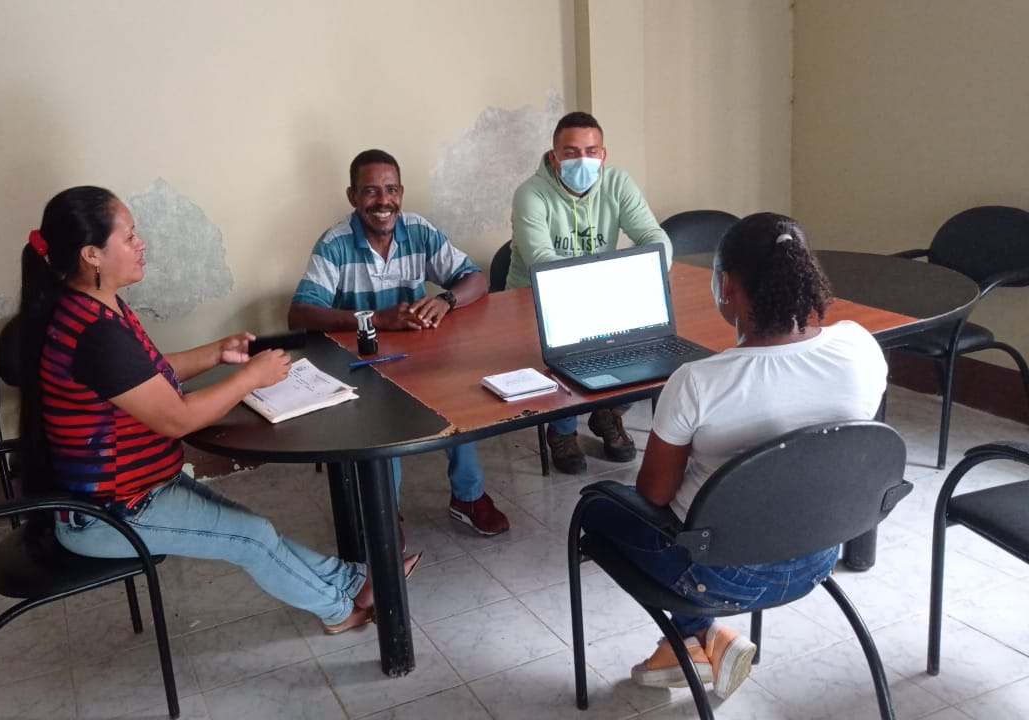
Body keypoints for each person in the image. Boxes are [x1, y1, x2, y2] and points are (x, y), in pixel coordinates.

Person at [16, 185, 420, 636]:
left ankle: (352, 581)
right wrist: (251, 378)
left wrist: (217, 354)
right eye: (129, 237)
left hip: (136, 491)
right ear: (92, 254)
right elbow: (177, 418)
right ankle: (339, 610)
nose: (141, 244)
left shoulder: (94, 307)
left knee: (255, 529)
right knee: (250, 538)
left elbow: (145, 375)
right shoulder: (94, 332)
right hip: (110, 514)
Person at [582, 213, 887, 699]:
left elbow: (654, 493)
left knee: (595, 508)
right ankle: (699, 644)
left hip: (722, 577)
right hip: (818, 553)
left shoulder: (698, 382)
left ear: (726, 287)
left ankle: (696, 635)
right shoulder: (861, 347)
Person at [288, 149, 510, 536]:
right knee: (384, 424)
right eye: (370, 191)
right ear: (352, 197)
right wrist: (376, 319)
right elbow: (300, 314)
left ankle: (468, 496)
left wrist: (446, 300)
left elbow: (476, 279)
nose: (383, 201)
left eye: (391, 190)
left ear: (401, 193)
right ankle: (386, 514)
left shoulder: (418, 230)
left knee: (459, 402)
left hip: (419, 359)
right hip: (360, 366)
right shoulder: (335, 243)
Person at [507, 111, 673, 473]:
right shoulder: (530, 194)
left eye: (591, 151)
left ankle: (607, 413)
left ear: (603, 154)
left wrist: (649, 275)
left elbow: (653, 236)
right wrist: (609, 286)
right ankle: (562, 429)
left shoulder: (618, 183)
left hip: (598, 297)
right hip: (536, 303)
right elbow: (543, 262)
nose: (582, 160)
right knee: (562, 356)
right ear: (554, 157)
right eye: (570, 153)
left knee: (654, 346)